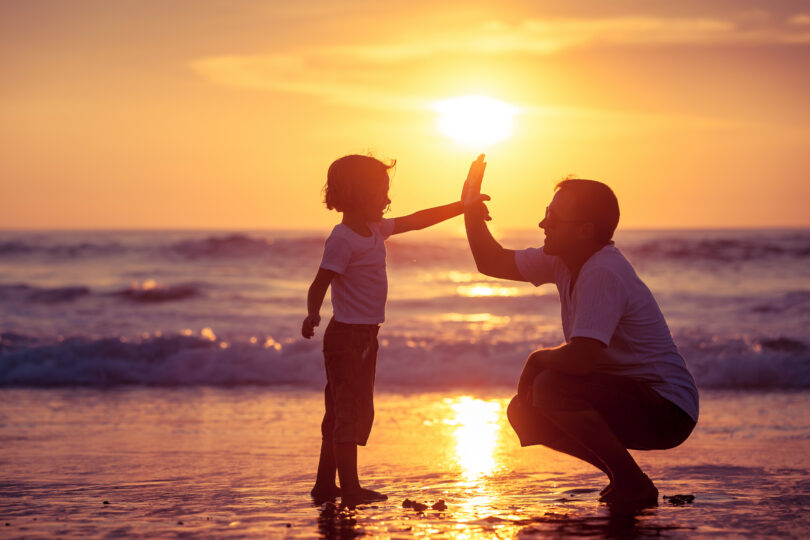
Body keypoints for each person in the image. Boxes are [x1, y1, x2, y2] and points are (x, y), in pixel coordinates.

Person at [461, 155, 698, 508]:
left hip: (667, 409)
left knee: (551, 387)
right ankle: (625, 477)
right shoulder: (563, 257)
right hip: (634, 396)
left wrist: (536, 360)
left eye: (553, 218)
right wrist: (469, 208)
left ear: (584, 229)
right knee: (524, 411)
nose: (543, 223)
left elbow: (583, 358)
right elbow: (491, 261)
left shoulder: (603, 270)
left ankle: (632, 482)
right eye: (546, 213)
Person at [303, 154, 489, 507]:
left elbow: (417, 221)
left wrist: (462, 207)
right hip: (347, 338)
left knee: (342, 410)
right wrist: (312, 314)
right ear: (358, 194)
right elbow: (319, 282)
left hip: (365, 337)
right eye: (380, 193)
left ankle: (326, 484)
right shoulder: (343, 238)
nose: (386, 201)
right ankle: (351, 488)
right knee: (348, 412)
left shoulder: (375, 230)